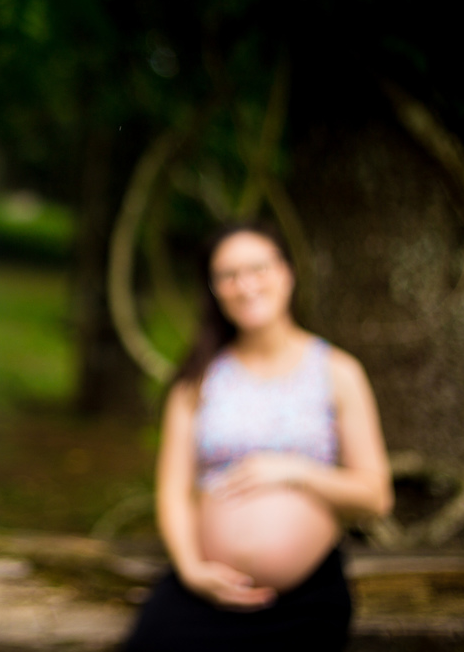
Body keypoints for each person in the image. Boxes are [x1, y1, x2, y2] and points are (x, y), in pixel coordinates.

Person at [124, 222, 392, 651]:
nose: (245, 285)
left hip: (304, 602)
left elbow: (375, 496)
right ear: (214, 290)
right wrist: (192, 569)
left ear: (287, 272)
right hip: (203, 591)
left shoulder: (338, 373)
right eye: (227, 275)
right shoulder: (197, 379)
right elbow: (172, 492)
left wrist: (293, 471)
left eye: (258, 268)